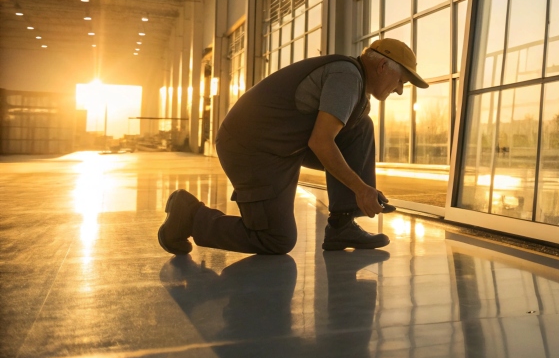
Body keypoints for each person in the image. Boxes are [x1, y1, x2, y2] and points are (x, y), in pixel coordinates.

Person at [157, 38, 428, 255]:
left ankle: (342, 225)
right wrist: (361, 189)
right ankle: (189, 215)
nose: (400, 90)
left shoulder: (357, 92)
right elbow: (321, 143)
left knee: (360, 127)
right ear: (382, 67)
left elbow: (325, 139)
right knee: (275, 239)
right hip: (250, 149)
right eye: (401, 80)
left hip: (282, 145)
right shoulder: (347, 77)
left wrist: (359, 188)